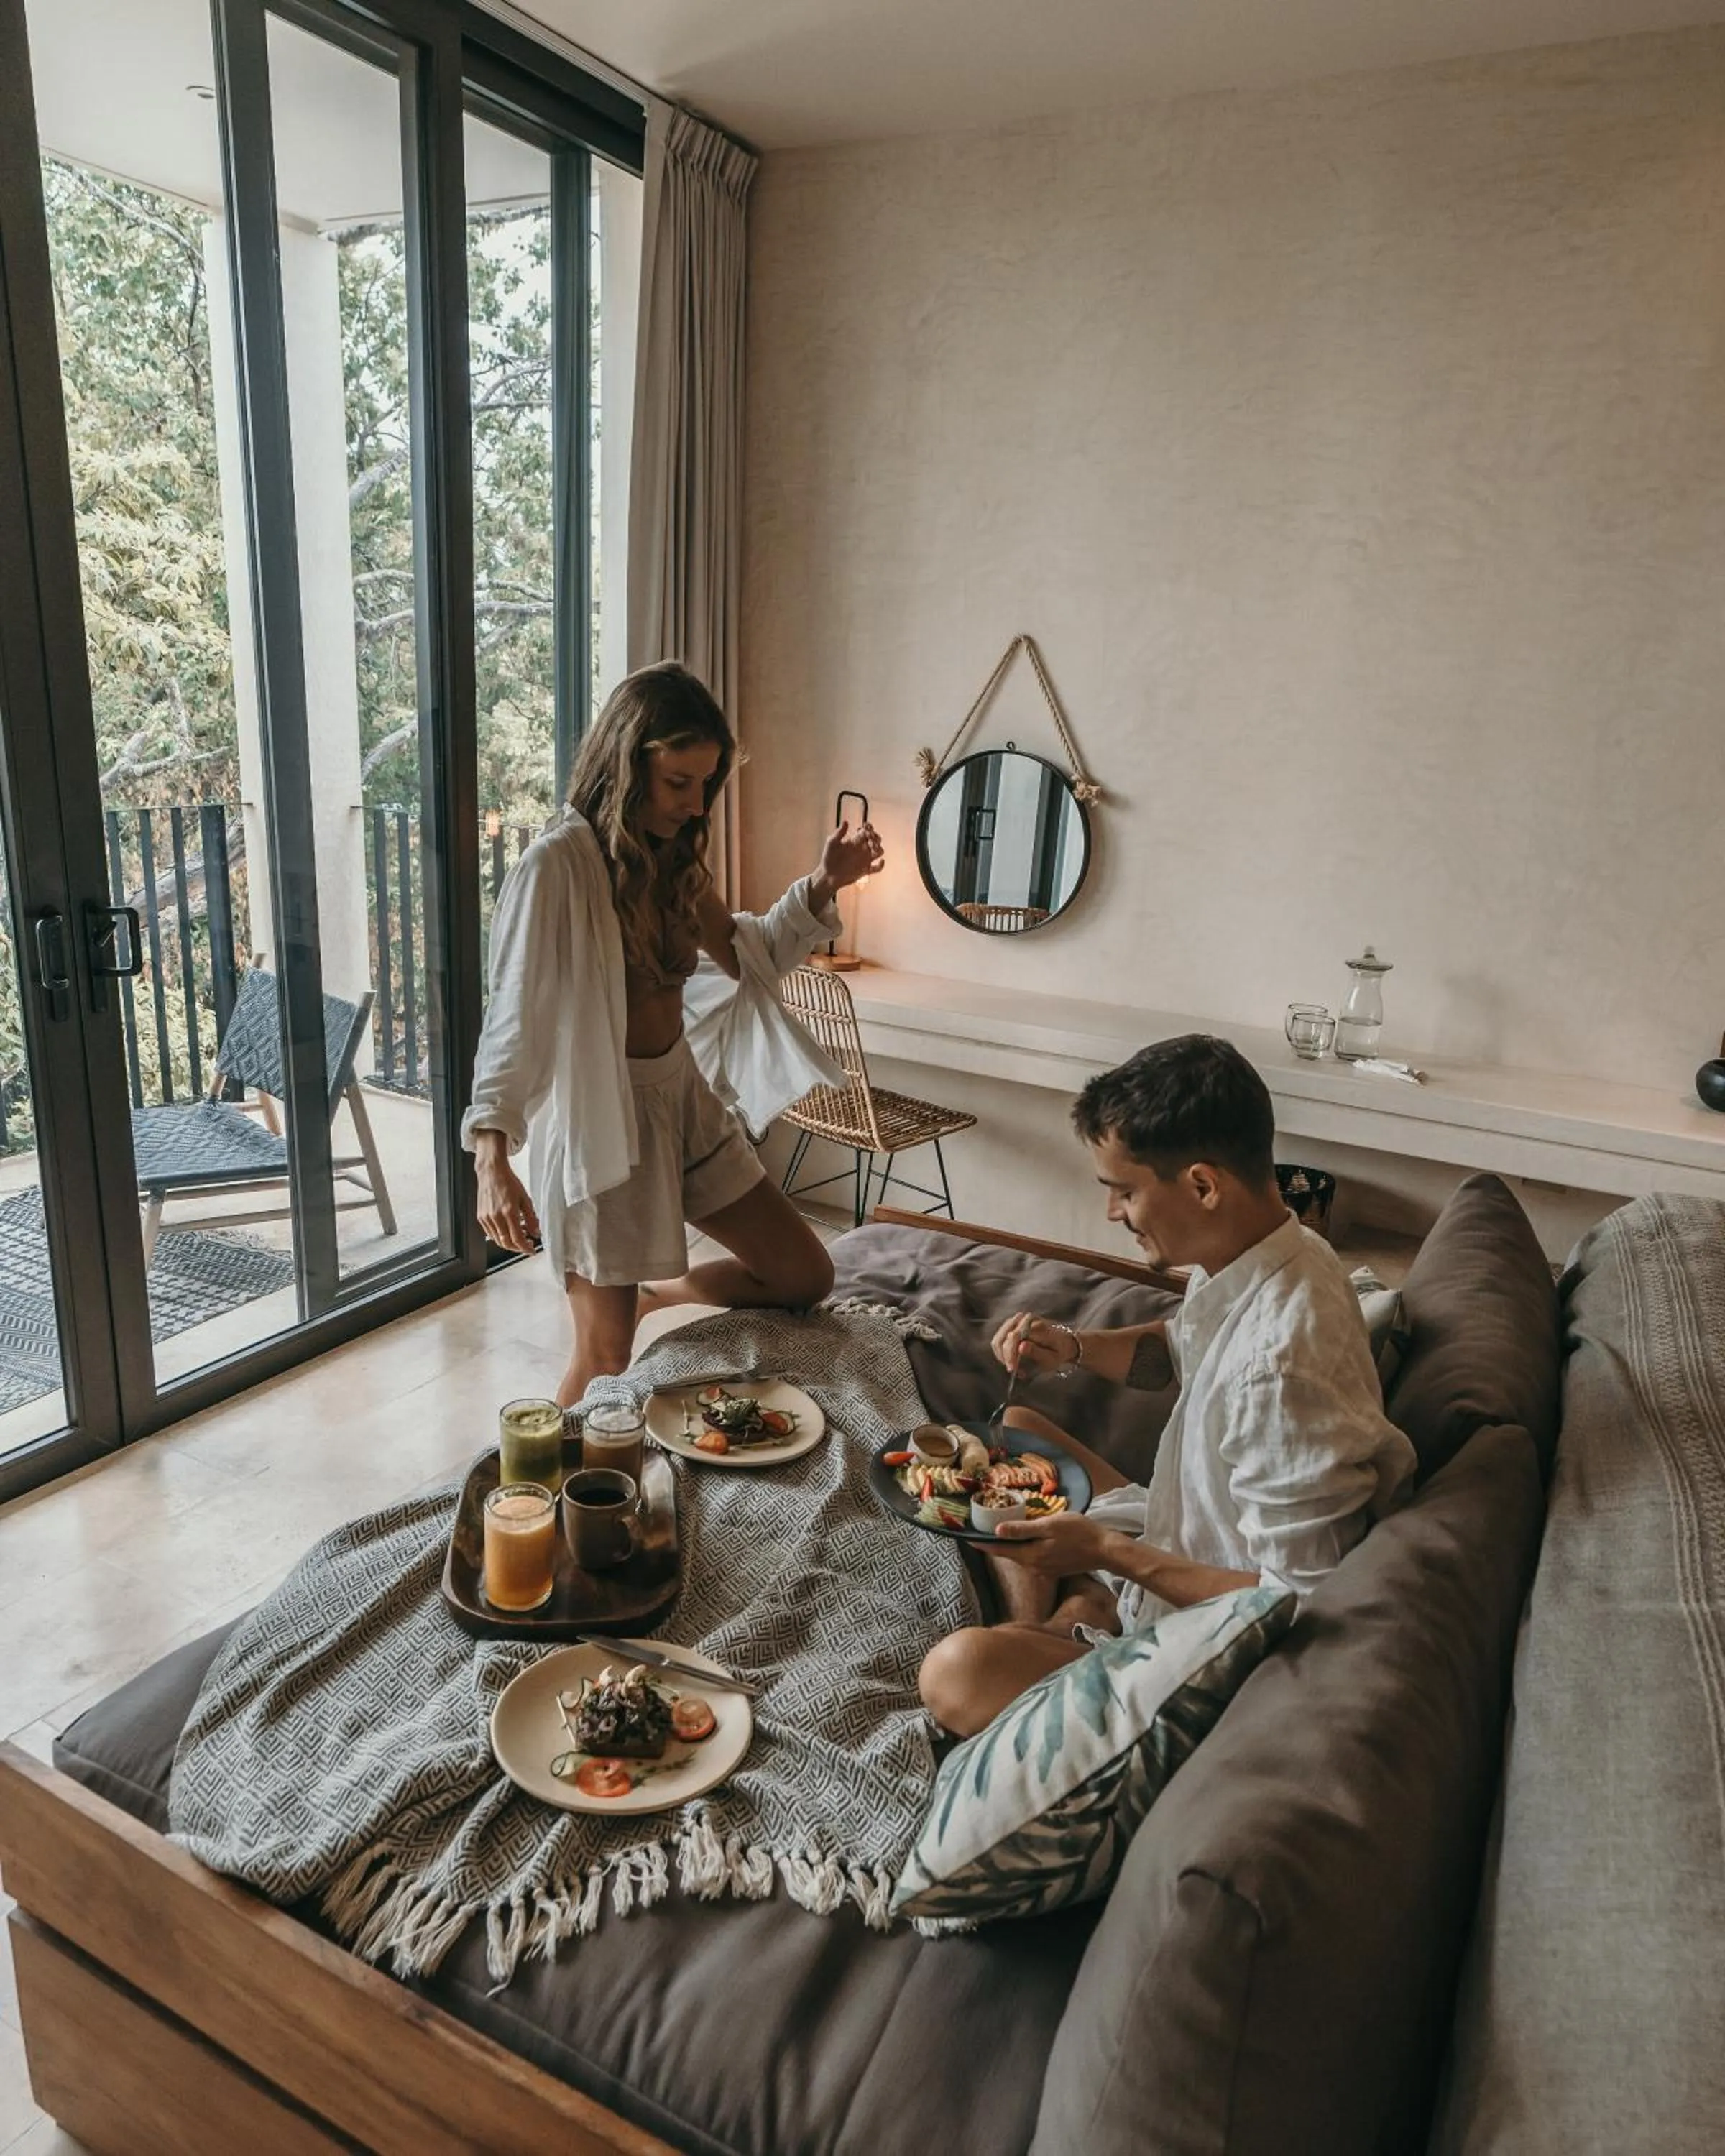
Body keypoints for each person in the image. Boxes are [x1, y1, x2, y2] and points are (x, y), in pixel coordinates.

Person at [919, 1033, 1416, 1738]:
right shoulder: (1279, 1250)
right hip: (1180, 1528)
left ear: (1203, 1185)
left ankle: (1065, 1621)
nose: (1113, 1215)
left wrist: (1105, 1553)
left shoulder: (1283, 1366)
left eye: (1124, 1192)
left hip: (1205, 1625)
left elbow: (1299, 1601)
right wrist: (1073, 1348)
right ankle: (1056, 1623)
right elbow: (1174, 1353)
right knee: (1017, 1428)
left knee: (956, 1674)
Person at [462, 660, 883, 1406]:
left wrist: (824, 884)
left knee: (804, 1275)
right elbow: (513, 1011)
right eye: (677, 783)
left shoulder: (673, 859)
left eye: (704, 786)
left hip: (682, 1100)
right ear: (627, 764)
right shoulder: (555, 865)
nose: (693, 807)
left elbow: (750, 954)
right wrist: (492, 1154)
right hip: (603, 1125)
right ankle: (535, 1496)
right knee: (606, 1356)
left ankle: (666, 1287)